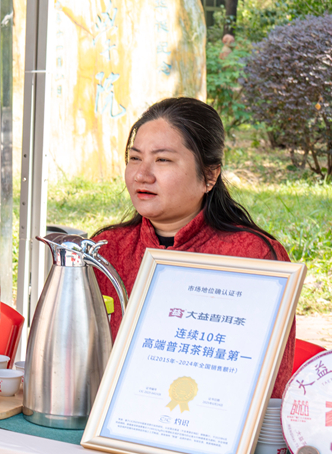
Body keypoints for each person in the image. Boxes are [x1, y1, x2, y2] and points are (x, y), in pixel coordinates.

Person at [93, 97, 296, 397]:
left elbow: (270, 387)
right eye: (135, 158)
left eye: (162, 160)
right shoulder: (106, 251)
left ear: (209, 176)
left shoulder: (254, 257)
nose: (141, 174)